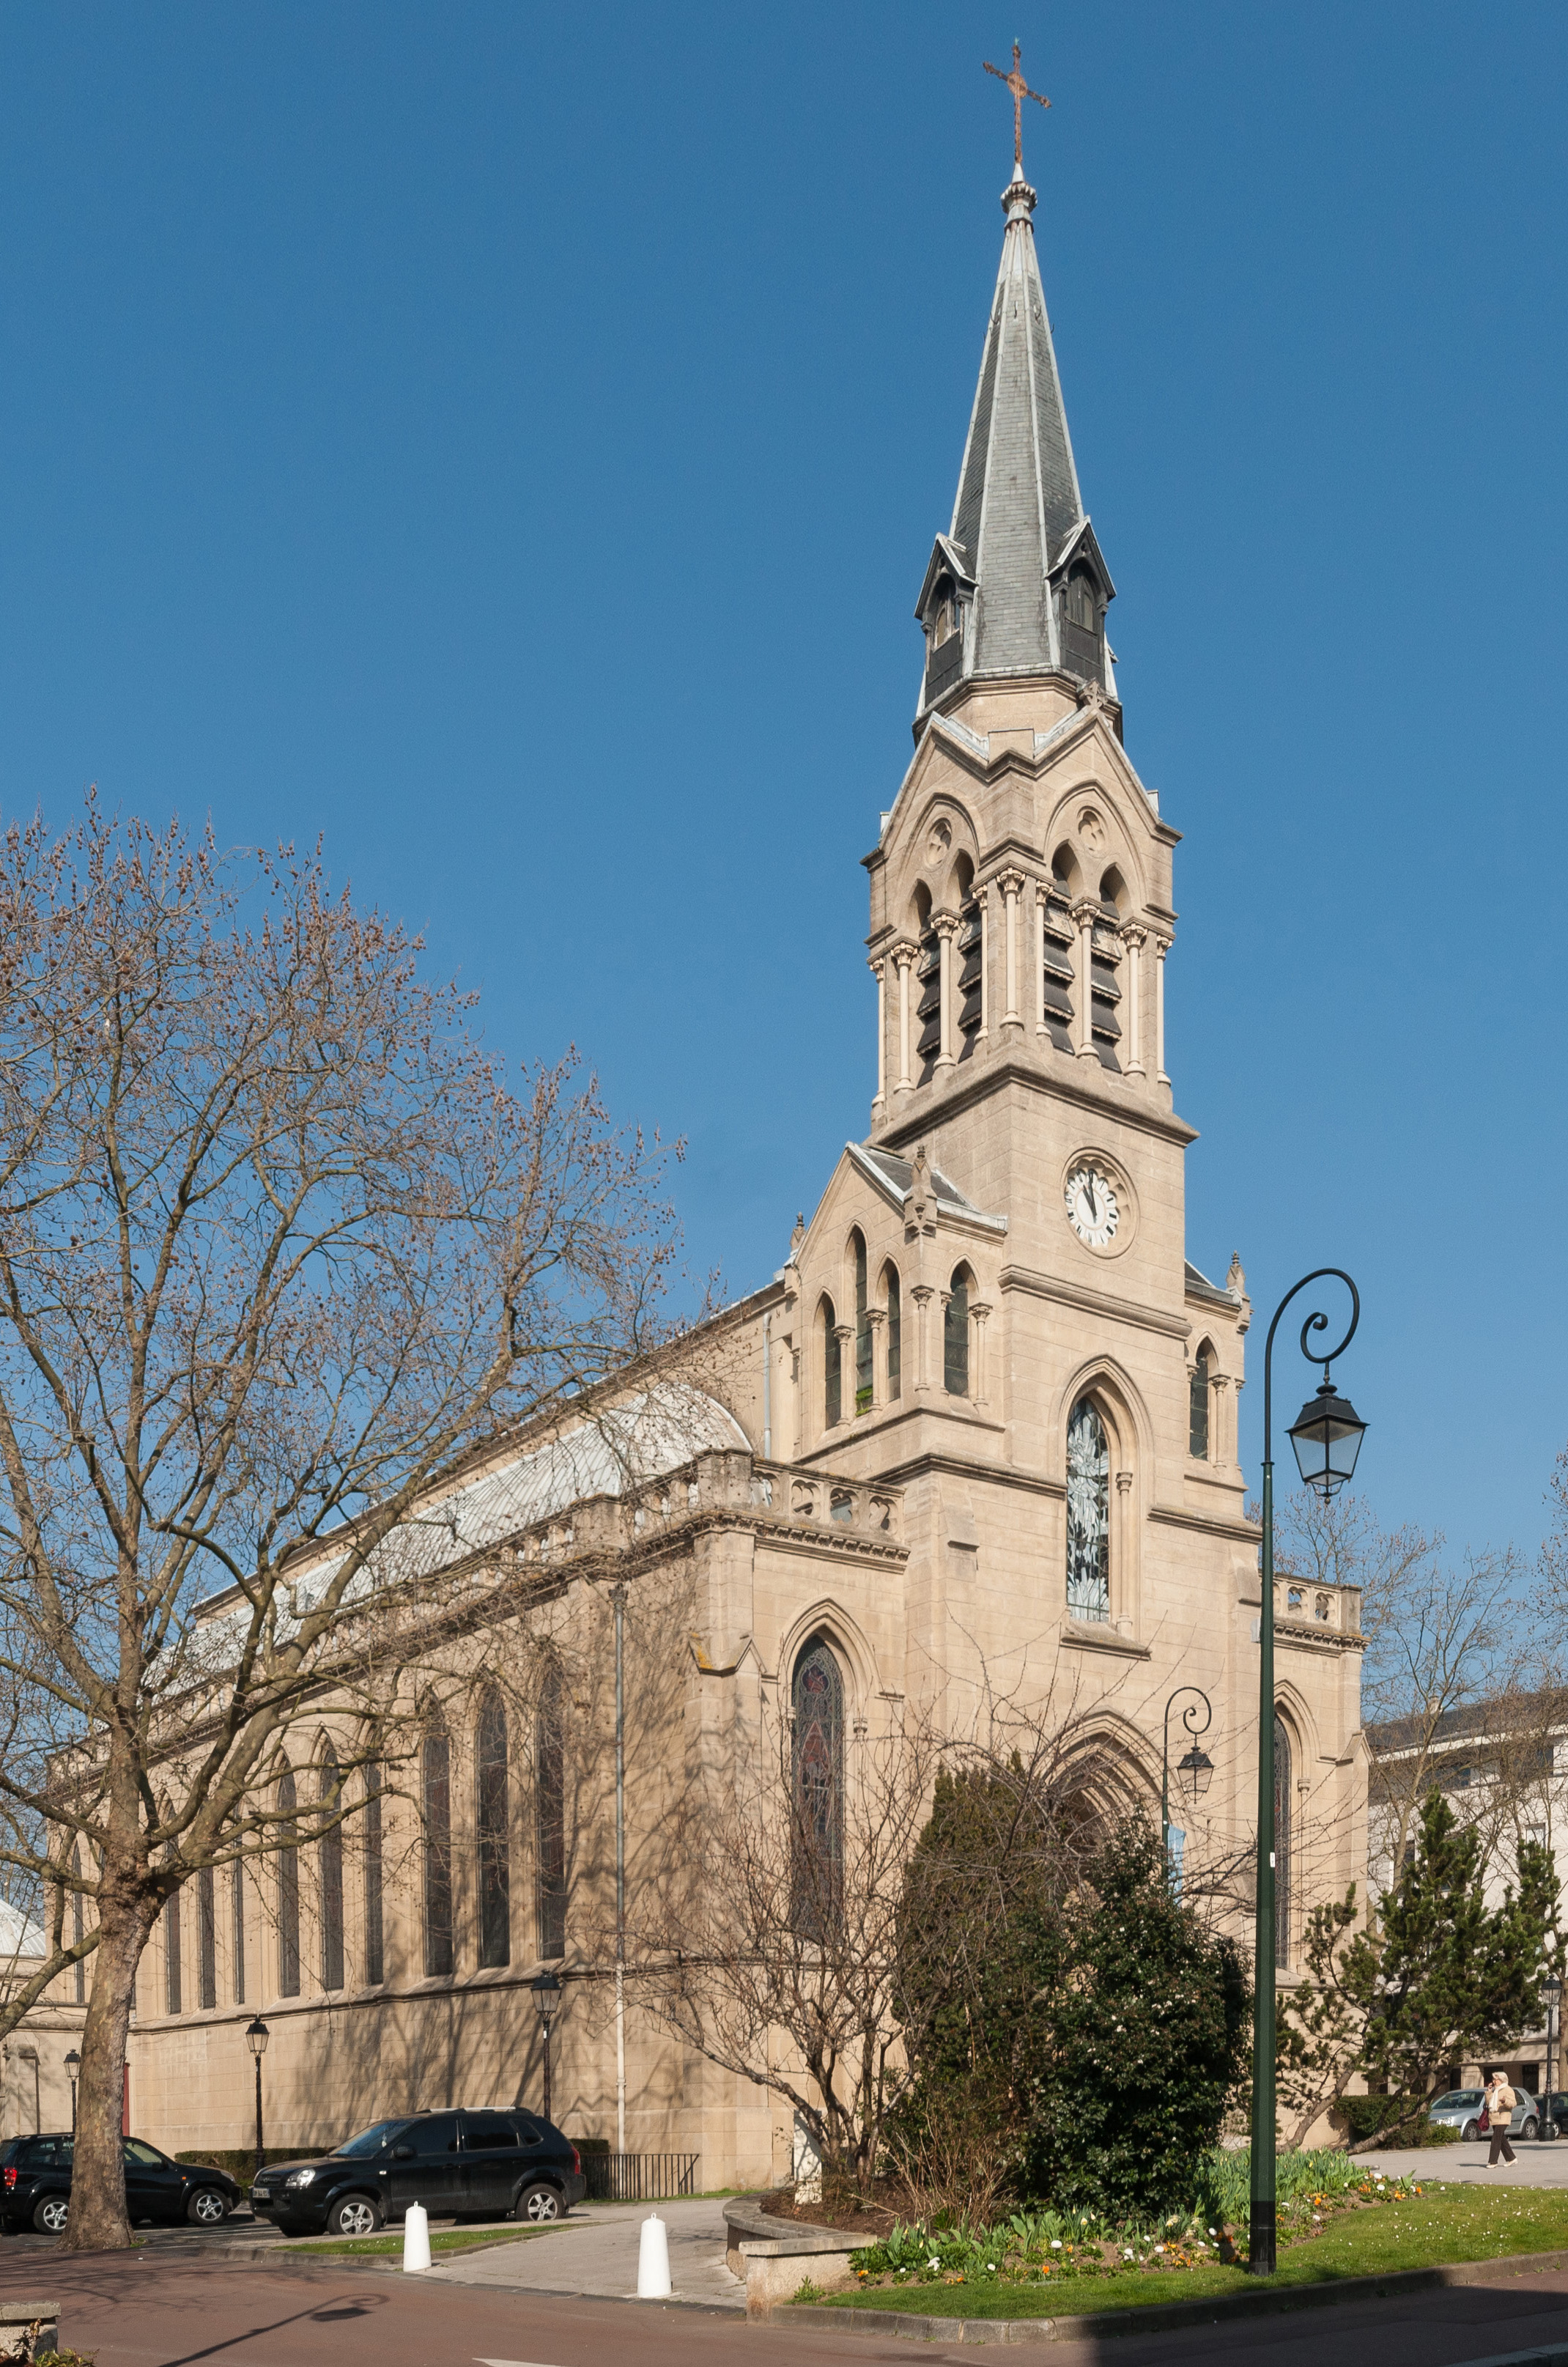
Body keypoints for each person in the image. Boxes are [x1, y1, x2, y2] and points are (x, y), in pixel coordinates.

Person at [1484, 2072, 1517, 2166]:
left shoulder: (1508, 2089)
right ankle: (1512, 2158)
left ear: (1502, 2080)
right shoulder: (1495, 2090)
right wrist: (1489, 2092)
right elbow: (1488, 2103)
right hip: (1494, 2117)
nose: (1494, 2081)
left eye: (1496, 2079)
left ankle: (1493, 2161)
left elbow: (1513, 2103)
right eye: (1493, 2079)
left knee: (1496, 2138)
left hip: (1503, 2117)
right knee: (1501, 2139)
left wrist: (1505, 2101)